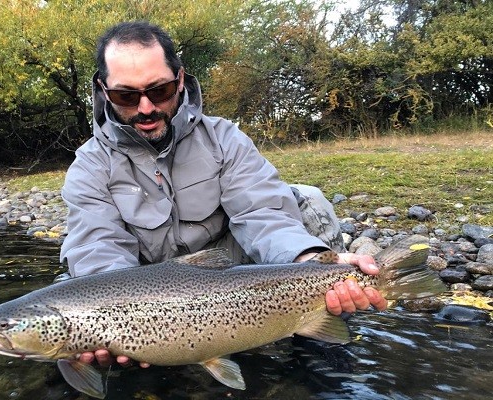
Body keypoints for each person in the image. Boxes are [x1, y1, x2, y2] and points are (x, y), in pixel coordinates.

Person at [59, 21, 386, 368]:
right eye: (126, 95)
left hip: (231, 283)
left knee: (309, 199)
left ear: (180, 80)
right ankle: (151, 357)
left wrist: (311, 261)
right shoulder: (89, 166)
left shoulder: (224, 139)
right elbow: (97, 247)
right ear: (103, 90)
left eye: (159, 91)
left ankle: (319, 340)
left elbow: (263, 213)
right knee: (71, 298)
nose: (145, 108)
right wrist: (110, 321)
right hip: (149, 299)